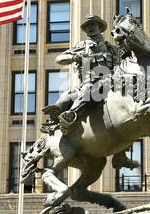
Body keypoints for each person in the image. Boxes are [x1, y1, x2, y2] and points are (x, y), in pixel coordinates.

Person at [43, 14, 139, 169]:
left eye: (93, 25)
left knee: (132, 110)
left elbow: (125, 63)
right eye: (88, 26)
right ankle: (71, 115)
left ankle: (121, 154)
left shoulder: (112, 49)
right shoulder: (82, 45)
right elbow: (60, 59)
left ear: (100, 27)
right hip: (90, 82)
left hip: (112, 83)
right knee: (89, 90)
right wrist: (76, 56)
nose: (91, 27)